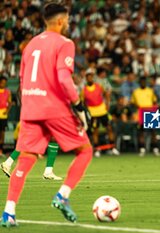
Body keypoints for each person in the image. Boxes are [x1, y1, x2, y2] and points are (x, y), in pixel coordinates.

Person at [1, 3, 92, 227]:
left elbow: (23, 81)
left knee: (27, 158)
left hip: (31, 107)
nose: (69, 23)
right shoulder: (64, 43)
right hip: (53, 107)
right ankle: (62, 196)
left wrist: (29, 106)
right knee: (85, 150)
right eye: (68, 20)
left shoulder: (30, 45)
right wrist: (79, 107)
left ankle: (8, 212)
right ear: (61, 21)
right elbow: (63, 78)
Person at [81, 70, 119, 157]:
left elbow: (107, 94)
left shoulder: (99, 86)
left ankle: (113, 147)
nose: (90, 78)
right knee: (95, 131)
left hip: (102, 111)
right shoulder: (84, 90)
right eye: (88, 77)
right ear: (86, 79)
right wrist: (86, 112)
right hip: (93, 113)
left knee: (109, 128)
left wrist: (107, 104)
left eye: (91, 76)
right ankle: (97, 149)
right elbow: (82, 103)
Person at [0, 76, 12, 156]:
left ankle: (0, 151)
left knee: (2, 133)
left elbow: (10, 103)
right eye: (2, 82)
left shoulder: (8, 92)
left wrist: (7, 112)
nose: (3, 84)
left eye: (5, 83)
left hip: (3, 115)